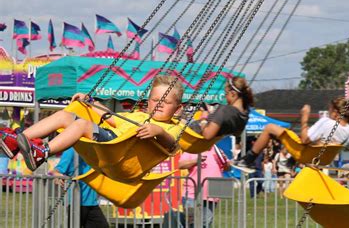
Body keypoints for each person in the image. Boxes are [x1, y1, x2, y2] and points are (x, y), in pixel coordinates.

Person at [0, 75, 184, 171]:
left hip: (119, 149)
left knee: (81, 125)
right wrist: (90, 101)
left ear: (176, 109)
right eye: (155, 100)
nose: (159, 105)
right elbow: (111, 117)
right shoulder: (137, 115)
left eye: (166, 103)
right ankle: (15, 141)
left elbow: (172, 144)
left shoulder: (173, 126)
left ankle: (42, 153)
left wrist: (158, 131)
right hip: (108, 138)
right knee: (65, 115)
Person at [234, 97, 349, 173]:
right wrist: (321, 142)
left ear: (336, 113)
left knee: (269, 128)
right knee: (283, 133)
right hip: (324, 159)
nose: (328, 113)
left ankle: (247, 161)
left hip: (305, 154)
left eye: (330, 111)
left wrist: (305, 117)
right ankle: (290, 163)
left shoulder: (327, 122)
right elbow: (348, 146)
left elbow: (304, 140)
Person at [51, 148, 108, 228]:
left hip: (91, 202)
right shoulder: (71, 150)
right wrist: (58, 177)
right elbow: (56, 171)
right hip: (75, 202)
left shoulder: (95, 149)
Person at [178, 145, 230, 227]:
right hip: (192, 194)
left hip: (213, 193)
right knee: (192, 223)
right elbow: (180, 165)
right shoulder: (192, 150)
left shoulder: (217, 150)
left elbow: (227, 168)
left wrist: (226, 163)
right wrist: (195, 161)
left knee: (206, 223)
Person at [188, 76, 254, 141]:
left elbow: (207, 135)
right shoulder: (245, 114)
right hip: (209, 143)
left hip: (193, 135)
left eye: (226, 93)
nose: (225, 97)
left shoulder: (224, 110)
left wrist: (204, 118)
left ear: (233, 94)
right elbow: (237, 133)